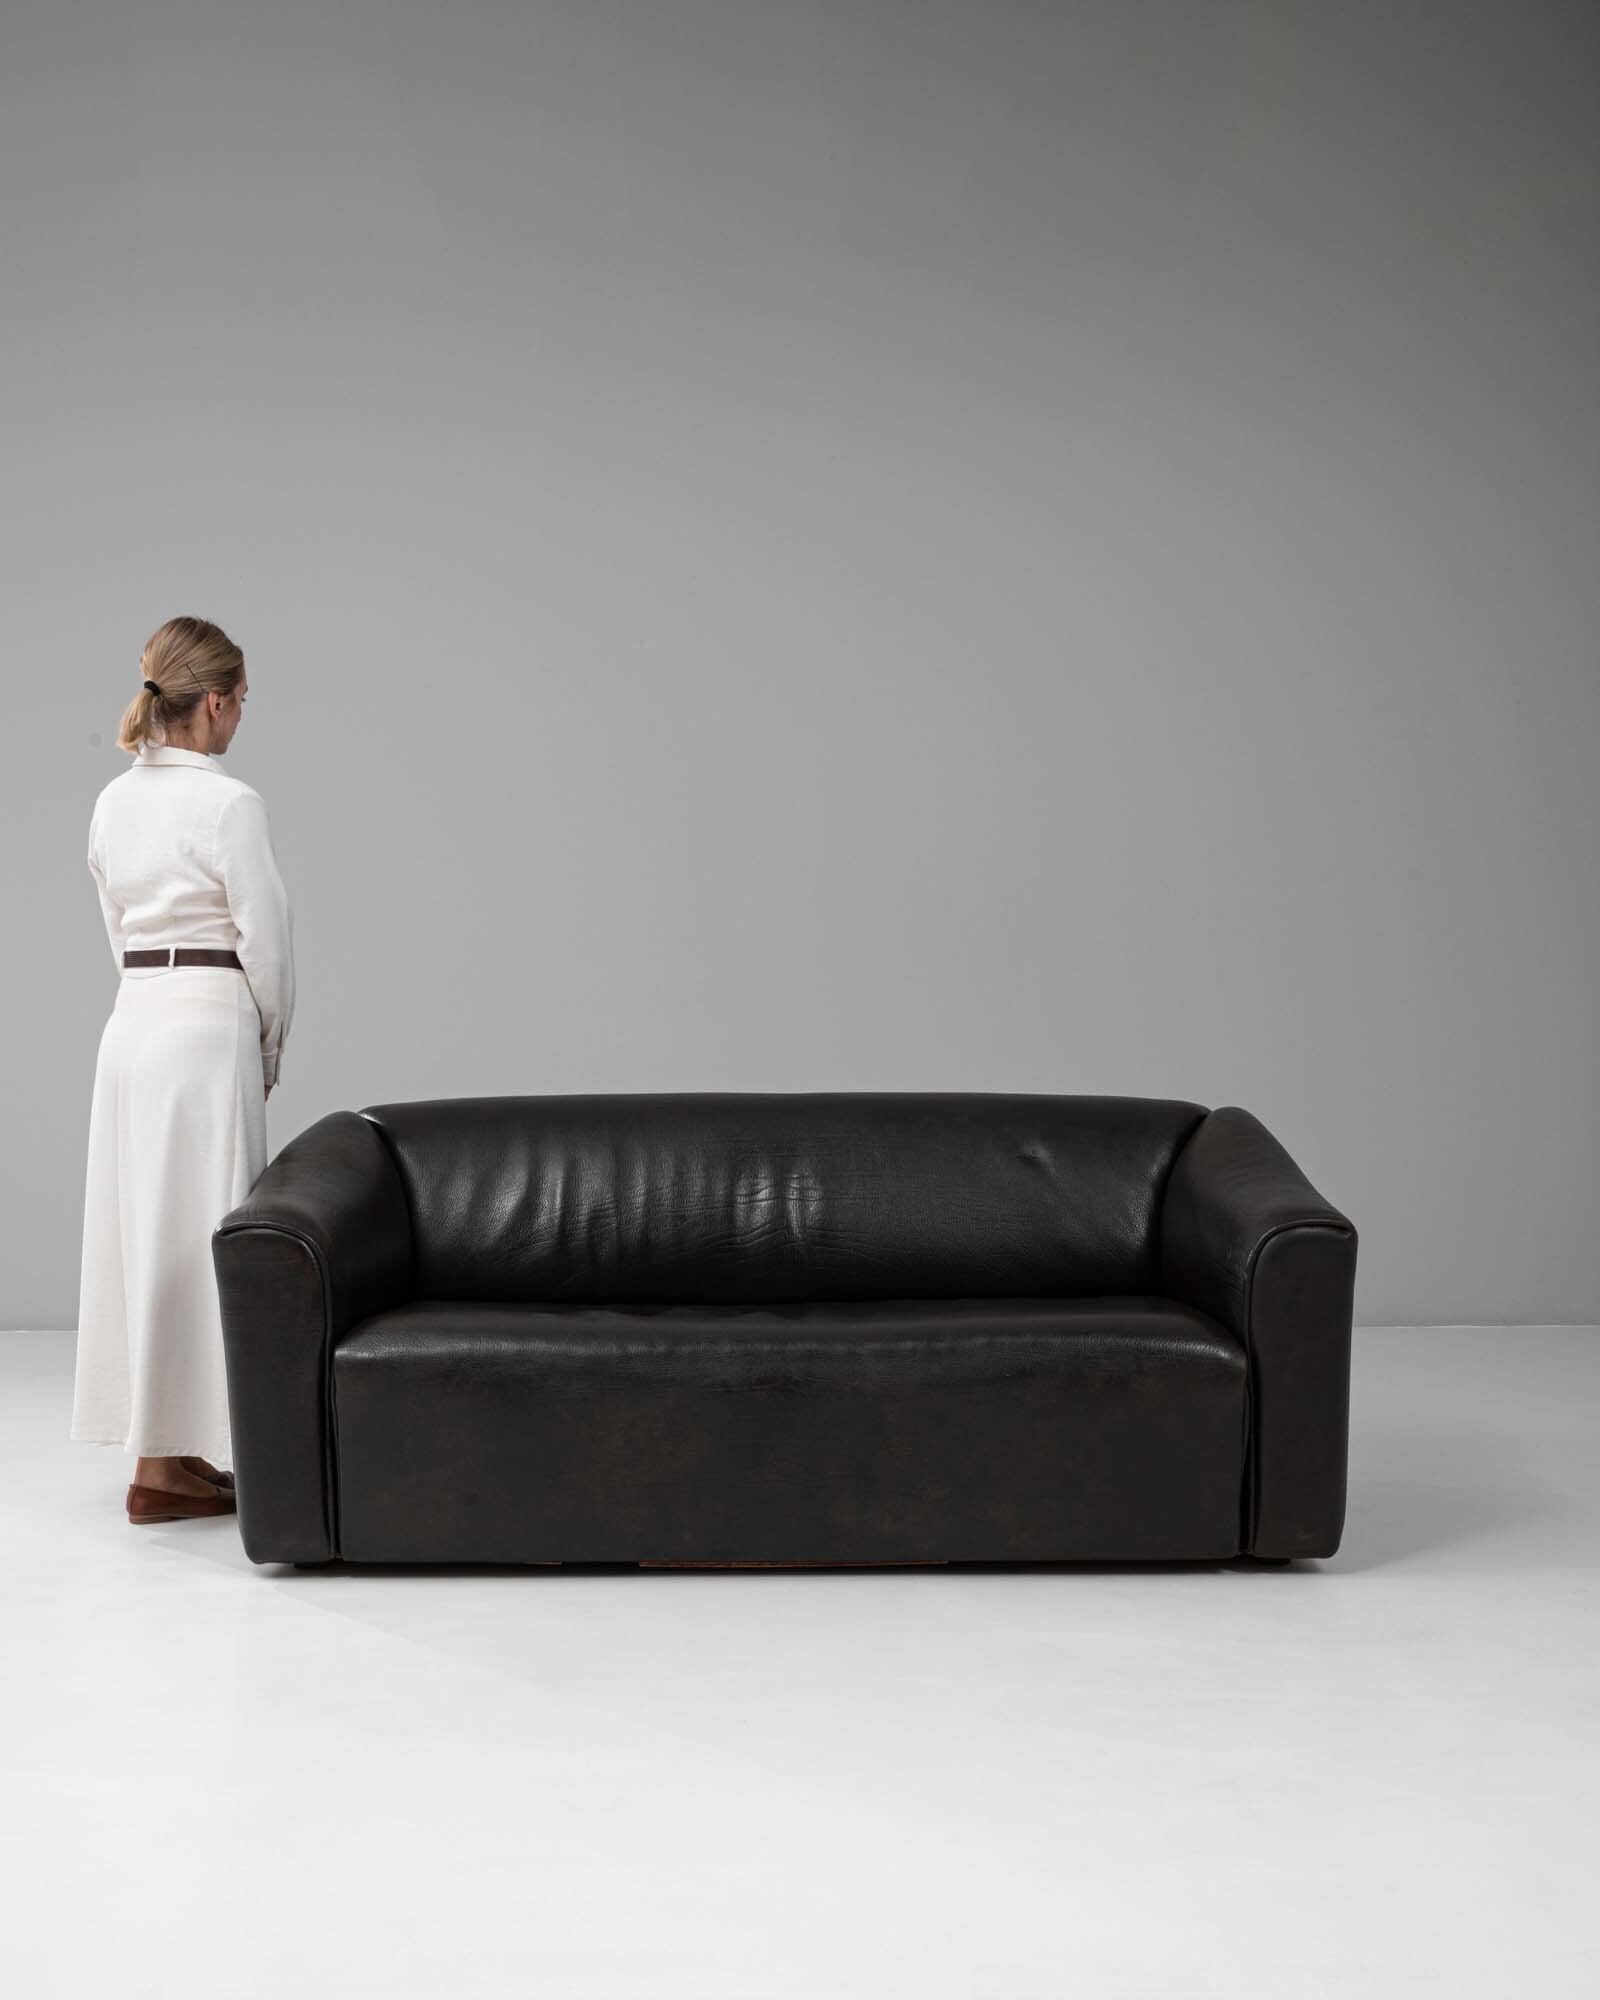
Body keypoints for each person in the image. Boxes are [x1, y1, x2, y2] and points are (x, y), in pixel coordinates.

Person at [71, 615, 295, 1525]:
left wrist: (145, 997)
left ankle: (165, 1455)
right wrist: (268, 1044)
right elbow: (267, 940)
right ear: (211, 702)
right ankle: (167, 1466)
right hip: (206, 1022)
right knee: (210, 1229)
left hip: (132, 1022)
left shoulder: (111, 801)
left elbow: (114, 926)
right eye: (240, 699)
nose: (241, 715)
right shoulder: (229, 803)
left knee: (142, 1231)